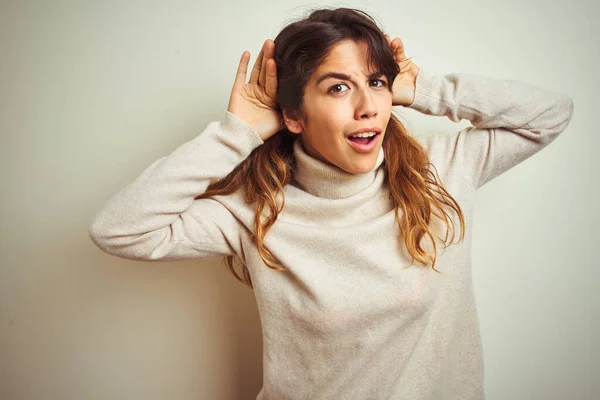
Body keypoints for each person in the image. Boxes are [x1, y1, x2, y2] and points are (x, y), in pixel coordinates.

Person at [88, 7, 574, 400]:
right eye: (339, 87)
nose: (367, 105)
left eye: (376, 82)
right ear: (294, 116)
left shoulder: (441, 171)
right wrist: (236, 134)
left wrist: (420, 89)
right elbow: (120, 229)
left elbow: (551, 115)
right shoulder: (257, 210)